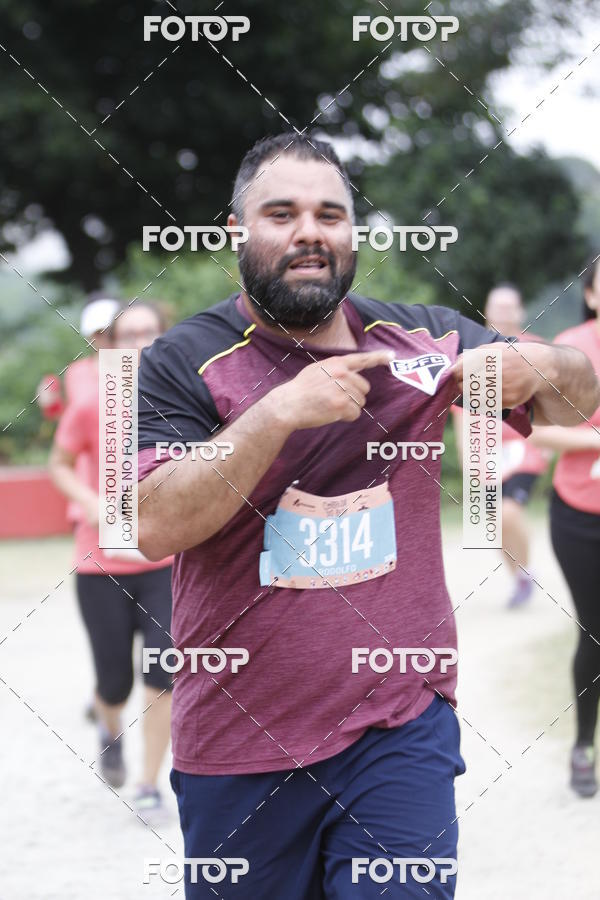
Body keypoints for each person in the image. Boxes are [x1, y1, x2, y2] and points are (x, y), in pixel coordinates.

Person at [136, 133, 599, 898]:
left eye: (330, 214)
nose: (308, 232)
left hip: (398, 726)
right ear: (235, 232)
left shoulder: (423, 336)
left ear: (353, 233)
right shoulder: (183, 361)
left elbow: (578, 398)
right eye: (281, 214)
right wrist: (274, 416)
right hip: (238, 742)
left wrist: (543, 364)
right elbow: (150, 522)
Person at [49, 300, 174, 824]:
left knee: (162, 672)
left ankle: (148, 783)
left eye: (151, 333)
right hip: (100, 566)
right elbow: (58, 463)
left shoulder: (182, 399)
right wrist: (94, 500)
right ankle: (109, 728)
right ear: (112, 346)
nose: (141, 343)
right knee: (114, 682)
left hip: (165, 563)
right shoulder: (92, 401)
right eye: (130, 335)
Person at [529, 255, 600, 797]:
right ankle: (583, 747)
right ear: (591, 295)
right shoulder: (569, 349)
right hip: (581, 517)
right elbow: (535, 433)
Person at [453, 284, 550, 608]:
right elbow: (460, 414)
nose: (504, 314)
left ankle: (526, 570)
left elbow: (557, 404)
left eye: (511, 307)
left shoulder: (537, 351)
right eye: (498, 307)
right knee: (489, 523)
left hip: (525, 448)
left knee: (508, 513)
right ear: (486, 310)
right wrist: (469, 461)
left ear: (521, 312)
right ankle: (521, 577)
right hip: (485, 452)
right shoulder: (470, 353)